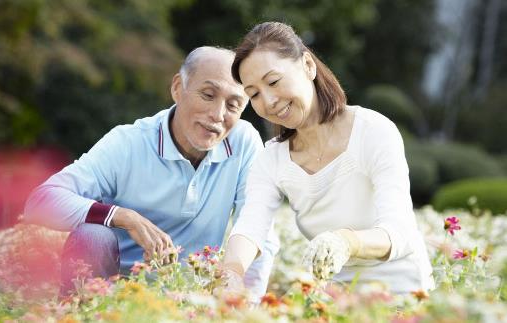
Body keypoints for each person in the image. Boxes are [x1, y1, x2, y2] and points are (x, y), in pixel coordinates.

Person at [23, 46, 278, 299]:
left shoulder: (243, 142)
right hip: (114, 298)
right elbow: (41, 201)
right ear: (178, 88)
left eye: (233, 105)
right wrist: (123, 216)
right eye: (208, 94)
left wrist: (248, 307)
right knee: (92, 236)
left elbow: (259, 228)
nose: (217, 114)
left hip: (191, 302)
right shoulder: (128, 142)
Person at [219, 22, 434, 294]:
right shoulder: (271, 159)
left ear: (308, 65)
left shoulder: (373, 131)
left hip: (403, 293)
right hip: (334, 298)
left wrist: (347, 242)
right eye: (254, 94)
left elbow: (399, 231)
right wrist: (232, 272)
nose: (269, 100)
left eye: (273, 81)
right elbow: (251, 226)